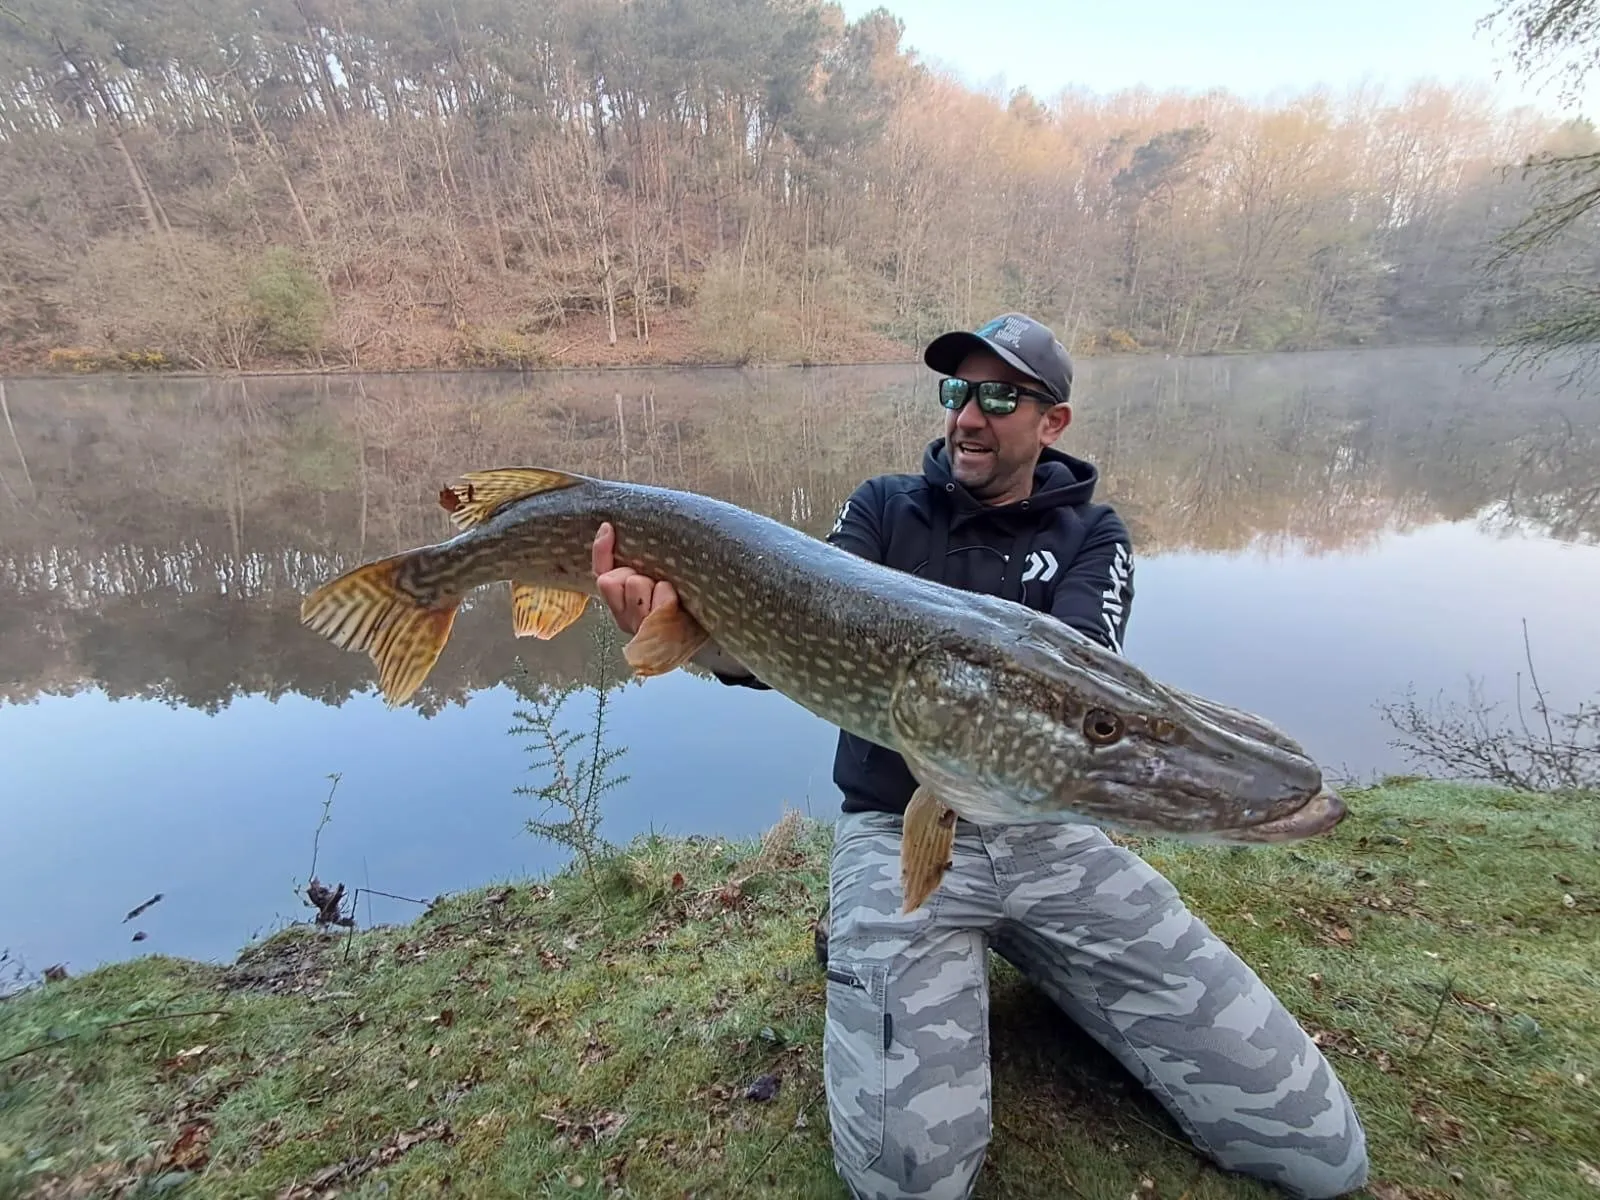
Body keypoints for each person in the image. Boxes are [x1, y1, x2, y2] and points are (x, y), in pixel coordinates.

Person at [589, 313, 1368, 1200]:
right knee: (911, 1186)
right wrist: (686, 630)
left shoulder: (1094, 537)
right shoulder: (884, 508)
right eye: (958, 391)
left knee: (1321, 1153)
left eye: (1000, 396)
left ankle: (1061, 972)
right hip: (895, 831)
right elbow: (775, 643)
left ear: (1052, 422)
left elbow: (1086, 716)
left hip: (1051, 839)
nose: (968, 415)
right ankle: (884, 938)